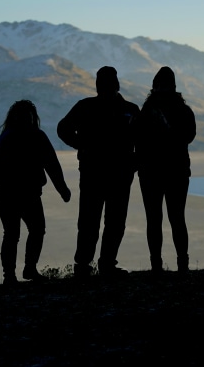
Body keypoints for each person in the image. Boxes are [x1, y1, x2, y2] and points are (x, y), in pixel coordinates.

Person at [0, 99, 72, 286]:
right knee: (19, 232)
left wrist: (62, 188)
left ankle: (21, 271)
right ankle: (15, 273)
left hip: (19, 193)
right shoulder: (22, 136)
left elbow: (51, 165)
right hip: (13, 193)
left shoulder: (22, 136)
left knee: (26, 231)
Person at [57, 66, 140, 278]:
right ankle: (99, 265)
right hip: (108, 173)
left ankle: (90, 265)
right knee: (100, 221)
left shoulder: (89, 106)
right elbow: (63, 128)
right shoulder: (128, 109)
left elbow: (63, 128)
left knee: (96, 220)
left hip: (101, 172)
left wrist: (81, 145)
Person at [133, 66, 196, 274]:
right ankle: (180, 265)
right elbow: (188, 136)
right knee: (176, 218)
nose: (160, 89)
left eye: (161, 85)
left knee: (157, 219)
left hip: (152, 172)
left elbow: (137, 140)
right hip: (175, 171)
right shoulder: (183, 110)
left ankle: (157, 265)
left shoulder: (146, 111)